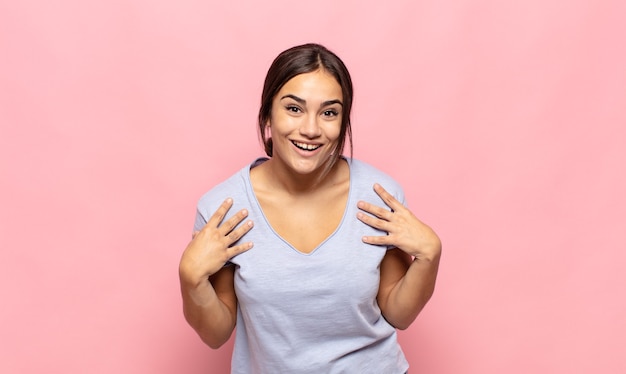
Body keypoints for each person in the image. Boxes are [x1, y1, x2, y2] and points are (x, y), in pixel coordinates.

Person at [179, 43, 441, 373]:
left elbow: (397, 313)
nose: (311, 129)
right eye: (294, 109)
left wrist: (430, 255)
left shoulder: (379, 196)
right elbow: (216, 334)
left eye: (329, 112)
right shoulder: (224, 208)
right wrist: (190, 278)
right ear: (268, 114)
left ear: (343, 121)